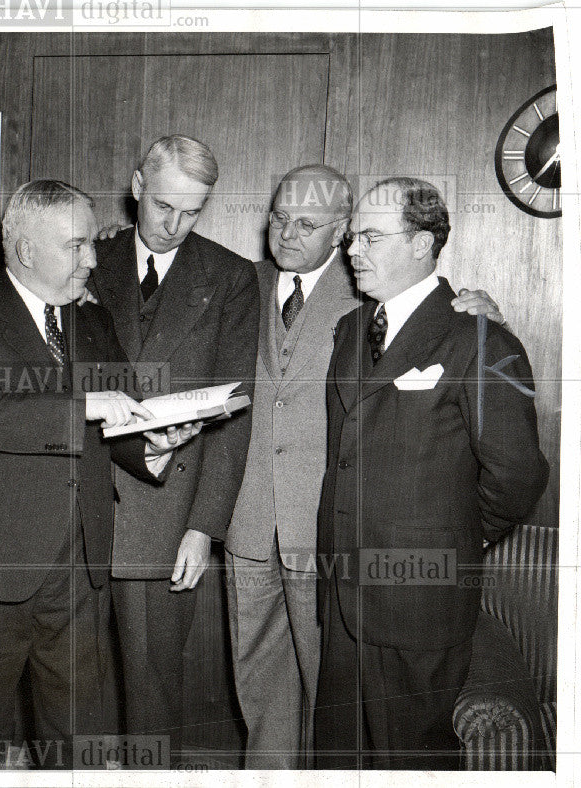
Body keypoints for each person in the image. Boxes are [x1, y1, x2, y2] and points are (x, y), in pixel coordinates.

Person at [225, 165, 507, 768]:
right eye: (279, 218)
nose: (287, 233)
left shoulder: (367, 299)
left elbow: (438, 323)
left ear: (340, 230)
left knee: (338, 707)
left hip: (335, 539)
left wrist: (456, 531)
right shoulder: (233, 285)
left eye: (308, 223)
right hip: (249, 524)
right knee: (263, 696)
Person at [0, 179, 201, 770]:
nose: (94, 259)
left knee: (80, 734)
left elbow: (117, 420)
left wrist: (152, 447)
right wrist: (88, 408)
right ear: (26, 252)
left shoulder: (92, 321)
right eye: (76, 247)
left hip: (81, 559)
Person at [314, 177, 548, 769]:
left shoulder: (481, 338)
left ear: (422, 244)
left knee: (412, 762)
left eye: (370, 236)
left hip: (420, 597)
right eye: (351, 235)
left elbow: (517, 474)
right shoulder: (349, 331)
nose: (351, 250)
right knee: (339, 758)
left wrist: (454, 536)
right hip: (343, 589)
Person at [89, 135, 258, 762]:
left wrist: (203, 528)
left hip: (166, 517)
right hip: (74, 510)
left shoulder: (233, 278)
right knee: (73, 689)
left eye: (192, 212)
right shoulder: (85, 255)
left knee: (152, 695)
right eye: (163, 206)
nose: (174, 225)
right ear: (137, 186)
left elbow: (237, 416)